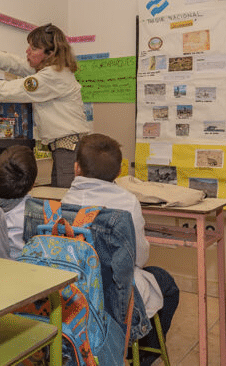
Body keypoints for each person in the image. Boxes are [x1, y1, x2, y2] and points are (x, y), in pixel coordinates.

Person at [61, 133, 179, 366]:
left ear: (76, 168)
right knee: (166, 284)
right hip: (117, 296)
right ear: (118, 172)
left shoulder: (66, 199)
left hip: (76, 291)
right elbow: (140, 256)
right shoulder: (127, 202)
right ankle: (143, 357)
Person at [0, 23, 91, 187]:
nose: (28, 51)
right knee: (59, 194)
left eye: (34, 48)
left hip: (68, 148)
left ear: (50, 53)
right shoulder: (50, 71)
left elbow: (9, 90)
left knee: (64, 197)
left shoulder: (52, 76)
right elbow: (13, 62)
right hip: (65, 148)